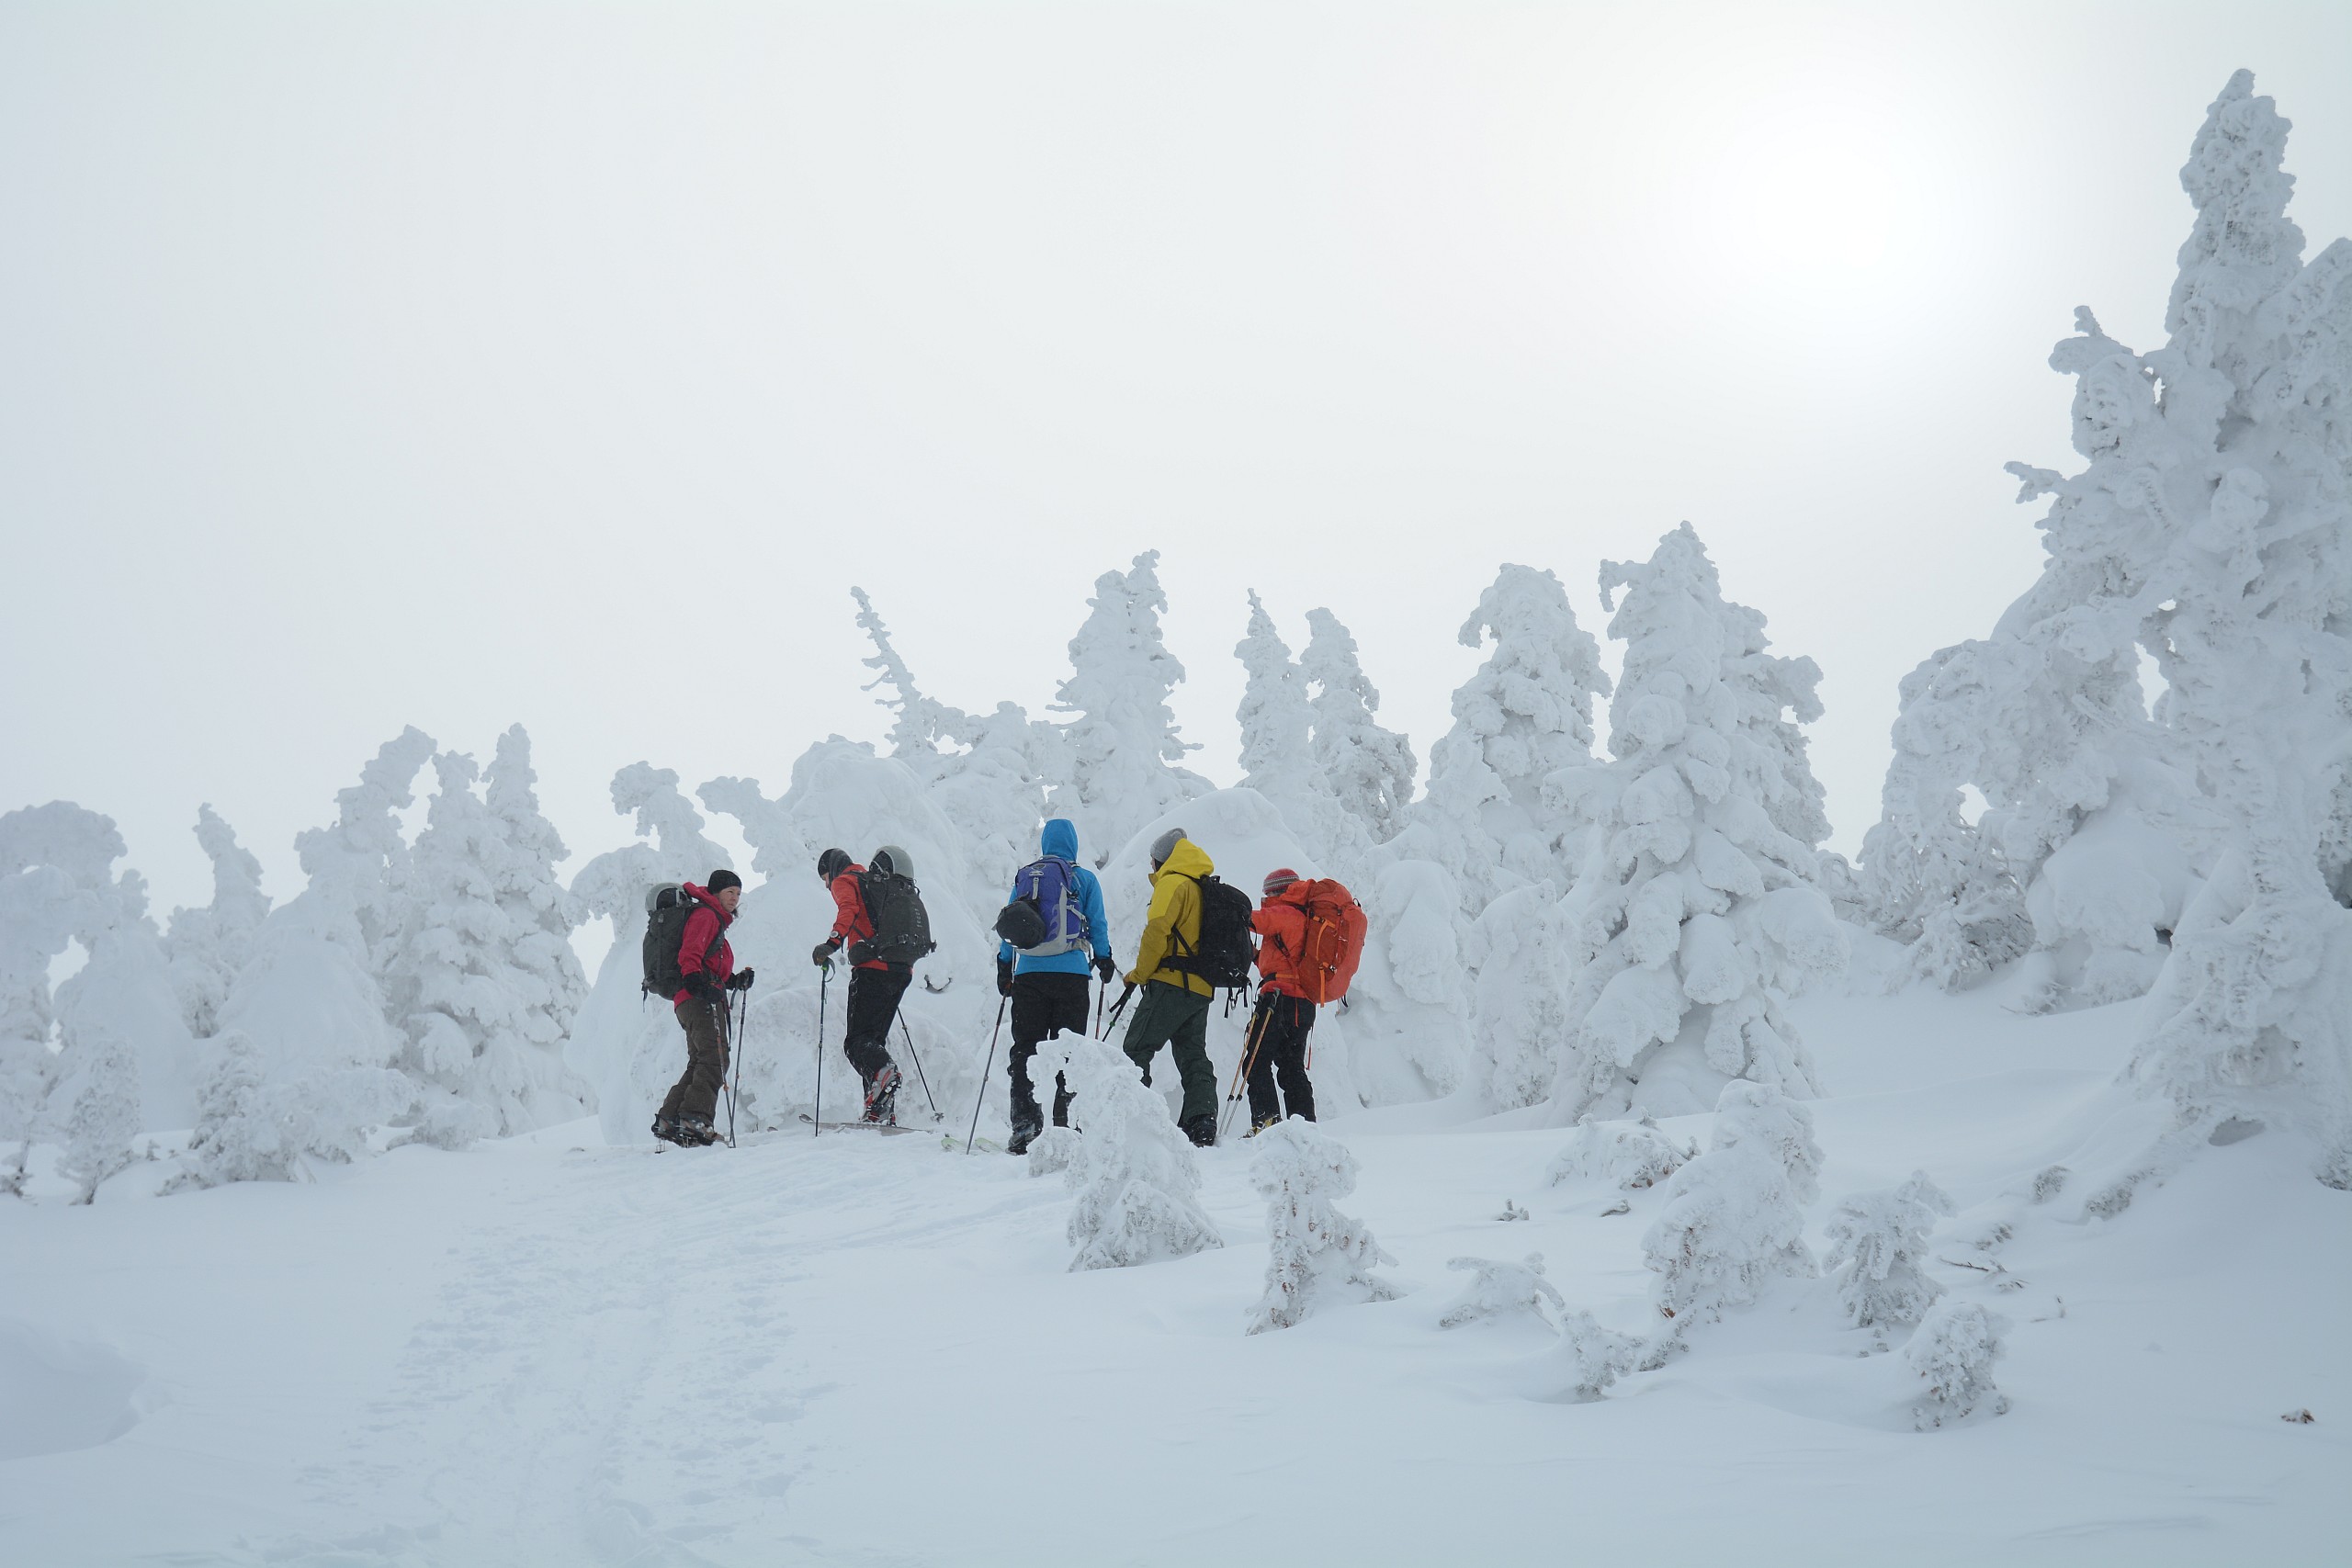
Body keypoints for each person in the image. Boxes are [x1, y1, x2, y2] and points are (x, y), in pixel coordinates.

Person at [996, 818, 1117, 1155]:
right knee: (1072, 1053)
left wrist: (1005, 966)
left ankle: (1025, 1127)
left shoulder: (1026, 878)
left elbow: (1010, 922)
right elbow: (1098, 925)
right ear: (1073, 844)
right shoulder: (1085, 879)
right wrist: (1104, 960)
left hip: (1030, 977)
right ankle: (1069, 1127)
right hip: (1072, 977)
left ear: (1046, 843)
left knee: (1026, 1050)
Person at [1121, 827, 1221, 1147]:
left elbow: (1157, 930)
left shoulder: (1172, 882)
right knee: (1193, 1054)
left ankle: (1131, 1120)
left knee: (1136, 1049)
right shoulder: (1200, 886)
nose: (1151, 866)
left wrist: (1140, 973)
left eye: (1152, 860)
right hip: (1201, 988)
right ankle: (1201, 1121)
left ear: (1160, 859)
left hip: (1170, 982)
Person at [653, 870, 753, 1146]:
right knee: (715, 1058)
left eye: (738, 893)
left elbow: (711, 966)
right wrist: (698, 984)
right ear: (716, 892)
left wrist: (734, 981)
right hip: (699, 999)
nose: (735, 898)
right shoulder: (706, 915)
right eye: (730, 892)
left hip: (692, 998)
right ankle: (695, 1120)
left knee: (701, 1059)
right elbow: (690, 954)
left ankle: (671, 1119)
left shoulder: (713, 919)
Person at [813, 846, 908, 1123]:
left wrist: (832, 942)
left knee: (856, 1043)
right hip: (900, 968)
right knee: (873, 1041)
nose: (827, 885)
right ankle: (879, 1110)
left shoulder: (846, 880)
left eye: (824, 878)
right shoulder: (877, 883)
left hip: (871, 967)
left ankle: (883, 1077)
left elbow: (848, 909)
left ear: (830, 870)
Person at [1243, 867, 1317, 1131]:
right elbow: (1283, 961)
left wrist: (1230, 907)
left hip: (1277, 1000)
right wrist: (1255, 955)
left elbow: (1254, 921)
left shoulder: (1284, 911)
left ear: (1278, 891)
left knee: (1255, 1061)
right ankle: (1304, 1127)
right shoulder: (1305, 917)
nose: (1266, 896)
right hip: (1302, 1004)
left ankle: (1267, 1124)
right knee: (1290, 1066)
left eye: (1268, 892)